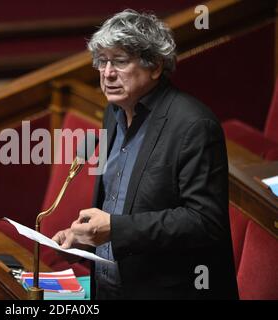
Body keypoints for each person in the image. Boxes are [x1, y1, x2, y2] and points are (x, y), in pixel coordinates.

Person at [52, 9, 239, 299]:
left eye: (120, 61)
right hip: (108, 287)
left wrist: (115, 229)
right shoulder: (113, 113)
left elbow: (204, 222)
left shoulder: (193, 125)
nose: (107, 73)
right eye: (102, 62)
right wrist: (84, 239)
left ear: (155, 66)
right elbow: (118, 203)